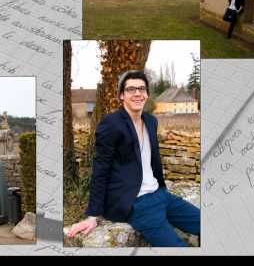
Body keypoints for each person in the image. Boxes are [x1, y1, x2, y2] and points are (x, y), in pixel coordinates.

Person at [66, 70, 200, 247]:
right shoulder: (111, 124)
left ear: (147, 94)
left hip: (161, 195)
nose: (137, 93)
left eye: (141, 88)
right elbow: (100, 170)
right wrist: (92, 216)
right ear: (121, 95)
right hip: (137, 204)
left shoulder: (151, 121)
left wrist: (161, 190)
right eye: (131, 89)